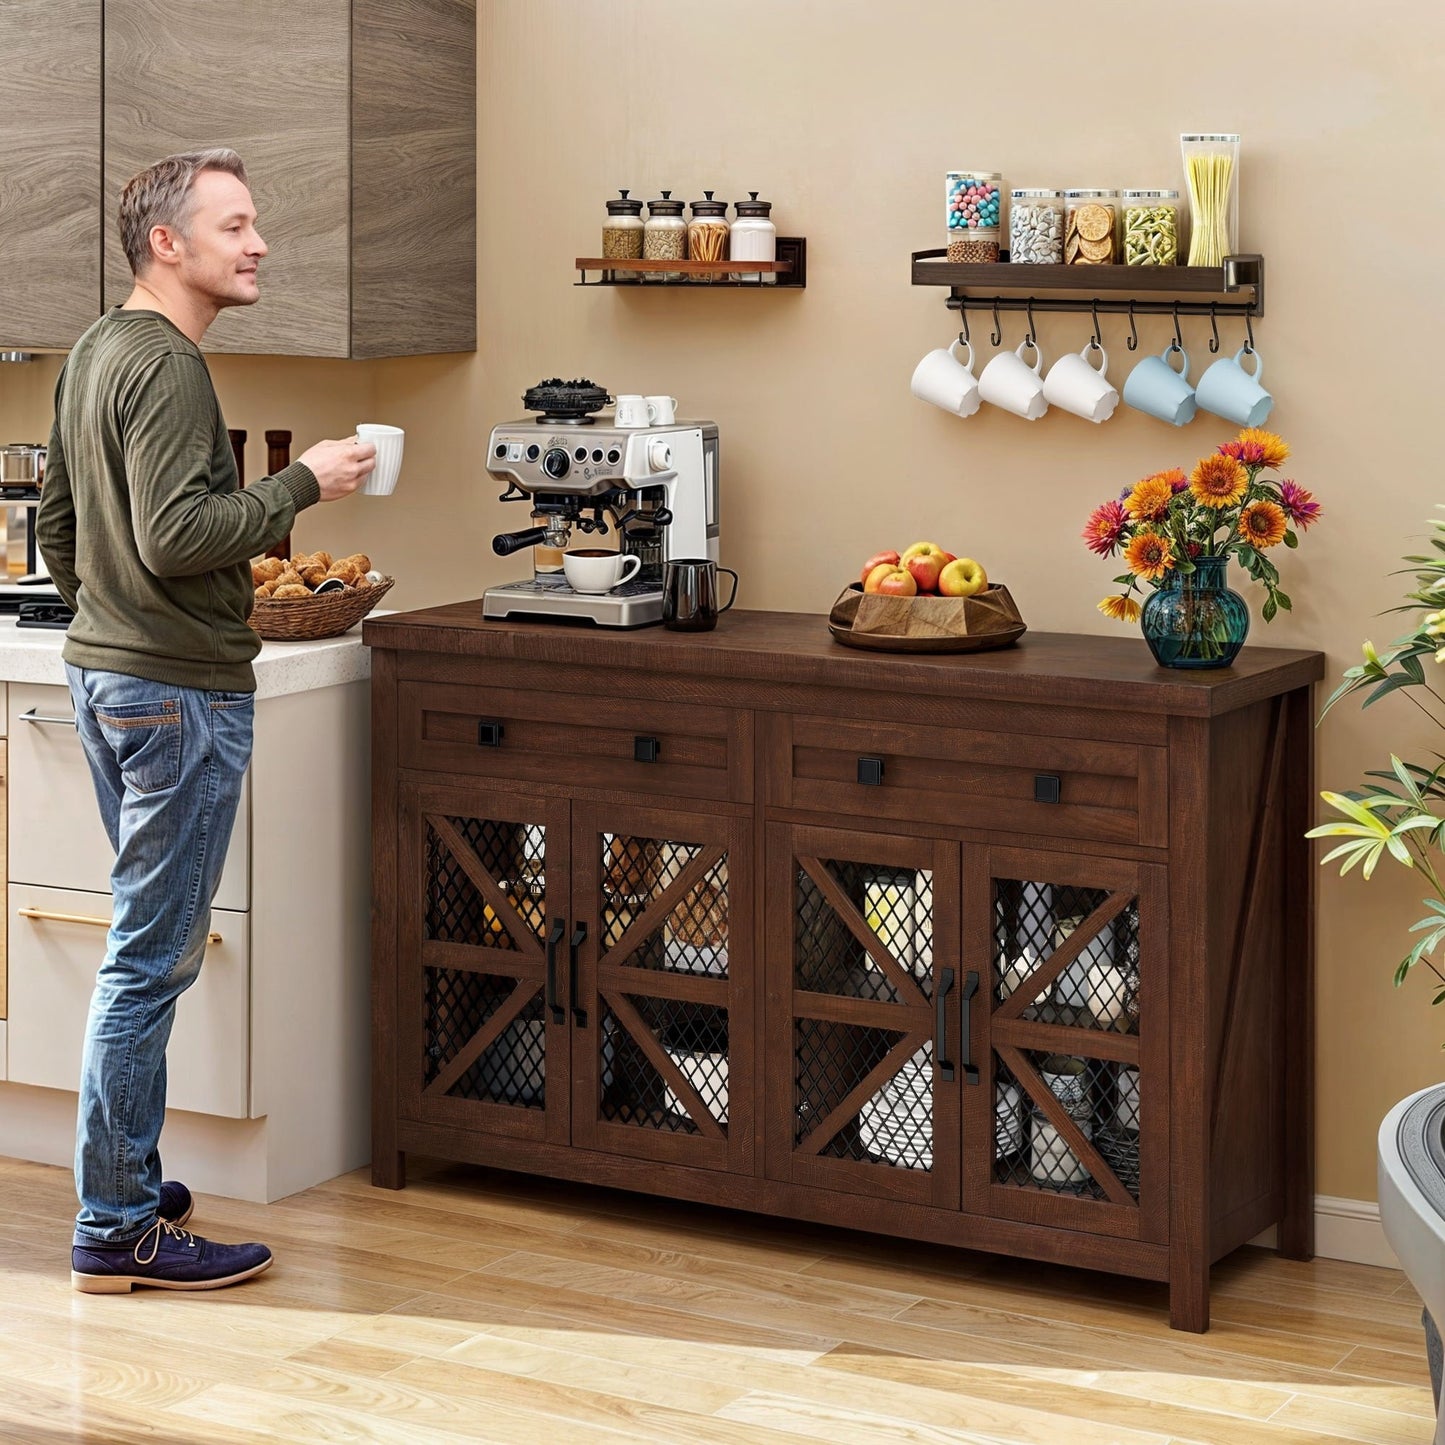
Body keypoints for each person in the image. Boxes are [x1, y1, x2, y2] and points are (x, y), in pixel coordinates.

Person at [37, 149, 376, 1293]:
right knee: (149, 958)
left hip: (105, 677)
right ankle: (118, 1222)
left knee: (142, 946)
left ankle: (123, 1176)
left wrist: (115, 616)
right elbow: (181, 534)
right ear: (166, 244)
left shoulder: (94, 348)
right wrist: (303, 484)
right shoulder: (169, 366)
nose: (259, 243)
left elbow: (59, 533)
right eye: (235, 225)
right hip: (177, 690)